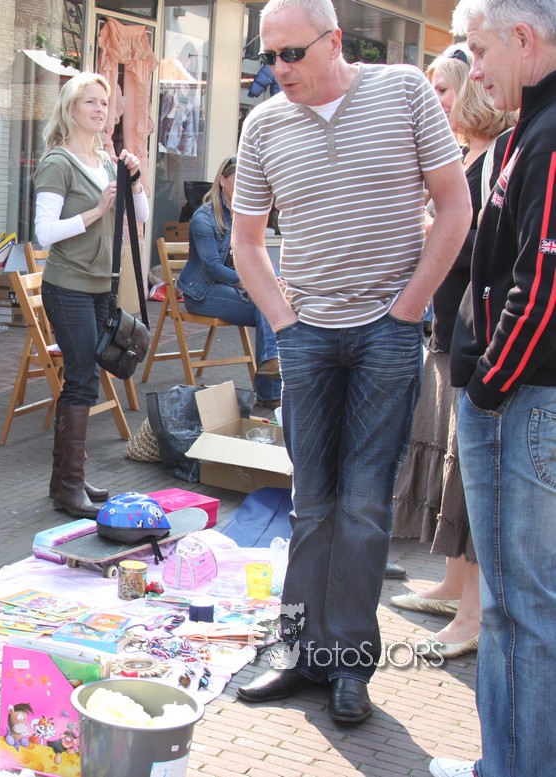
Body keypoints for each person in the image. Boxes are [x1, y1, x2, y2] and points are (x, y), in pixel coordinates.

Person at [229, 0, 470, 725]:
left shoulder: (403, 91)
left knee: (364, 505)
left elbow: (455, 206)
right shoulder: (262, 125)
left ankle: (347, 665)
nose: (277, 69)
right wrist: (284, 323)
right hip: (308, 334)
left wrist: (408, 308)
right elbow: (246, 242)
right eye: (267, 55)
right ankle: (297, 649)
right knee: (310, 502)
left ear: (335, 41)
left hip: (386, 336)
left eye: (292, 53)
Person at [430, 1, 556, 775]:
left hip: (519, 401)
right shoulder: (530, 129)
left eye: (478, 50)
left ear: (524, 38)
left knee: (520, 610)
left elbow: (541, 282)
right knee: (518, 608)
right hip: (519, 398)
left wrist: (486, 388)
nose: (472, 68)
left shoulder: (547, 134)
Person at [390, 44, 515, 662]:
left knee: (468, 472)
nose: (434, 100)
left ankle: (472, 615)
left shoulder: (499, 154)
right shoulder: (467, 155)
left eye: (442, 89)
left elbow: (486, 249)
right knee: (447, 464)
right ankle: (452, 586)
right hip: (449, 334)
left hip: (476, 339)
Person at [33, 73, 147, 518]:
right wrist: (98, 210)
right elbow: (44, 233)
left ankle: (66, 480)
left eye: (105, 103)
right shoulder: (57, 163)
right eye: (90, 102)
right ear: (70, 109)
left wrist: (134, 181)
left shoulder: (105, 160)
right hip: (69, 286)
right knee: (81, 380)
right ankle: (70, 486)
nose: (101, 110)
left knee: (87, 377)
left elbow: (140, 215)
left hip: (101, 286)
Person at [176, 155, 281, 407]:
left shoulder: (244, 215)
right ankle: (270, 390)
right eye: (237, 179)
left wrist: (274, 278)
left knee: (273, 301)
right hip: (201, 293)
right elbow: (214, 268)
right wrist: (255, 282)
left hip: (229, 287)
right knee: (267, 304)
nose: (244, 185)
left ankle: (271, 368)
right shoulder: (203, 218)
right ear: (222, 180)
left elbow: (257, 253)